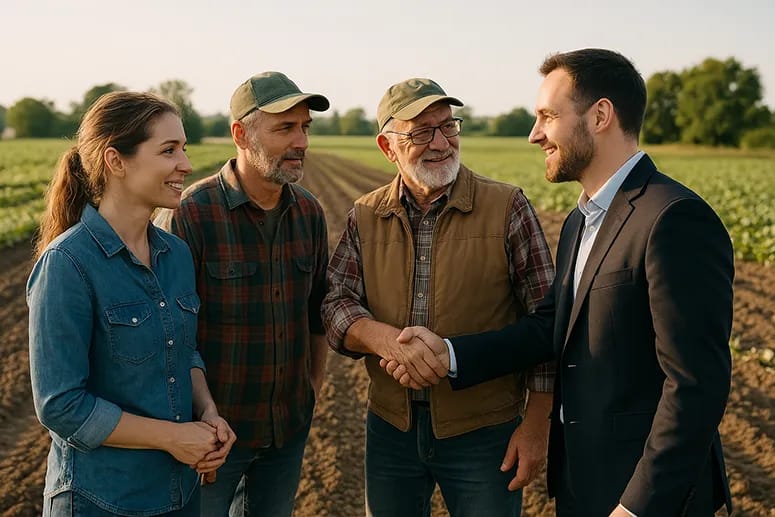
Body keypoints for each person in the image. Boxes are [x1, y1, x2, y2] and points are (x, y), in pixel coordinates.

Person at [388, 49, 735, 517]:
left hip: (648, 497)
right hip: (587, 484)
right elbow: (547, 327)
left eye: (547, 116)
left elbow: (695, 386)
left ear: (600, 116)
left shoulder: (672, 218)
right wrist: (448, 354)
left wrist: (636, 507)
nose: (535, 135)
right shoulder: (581, 220)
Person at [321, 77, 556, 517]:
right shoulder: (366, 214)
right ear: (388, 147)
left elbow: (546, 322)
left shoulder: (507, 206)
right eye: (421, 132)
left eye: (448, 127)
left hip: (486, 430)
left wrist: (537, 425)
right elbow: (336, 301)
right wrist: (382, 339)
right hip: (391, 427)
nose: (441, 143)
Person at [27, 91, 236, 517]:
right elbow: (61, 405)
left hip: (179, 491)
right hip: (100, 500)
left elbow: (183, 350)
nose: (186, 165)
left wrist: (208, 412)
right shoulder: (67, 264)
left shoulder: (175, 255)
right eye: (168, 150)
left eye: (184, 148)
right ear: (116, 161)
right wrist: (173, 437)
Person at [154, 71, 330, 517]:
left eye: (304, 128)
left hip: (286, 431)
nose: (302, 141)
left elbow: (316, 316)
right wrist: (192, 425)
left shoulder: (308, 212)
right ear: (241, 134)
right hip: (214, 435)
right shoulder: (191, 214)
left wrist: (311, 391)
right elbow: (169, 335)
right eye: (285, 128)